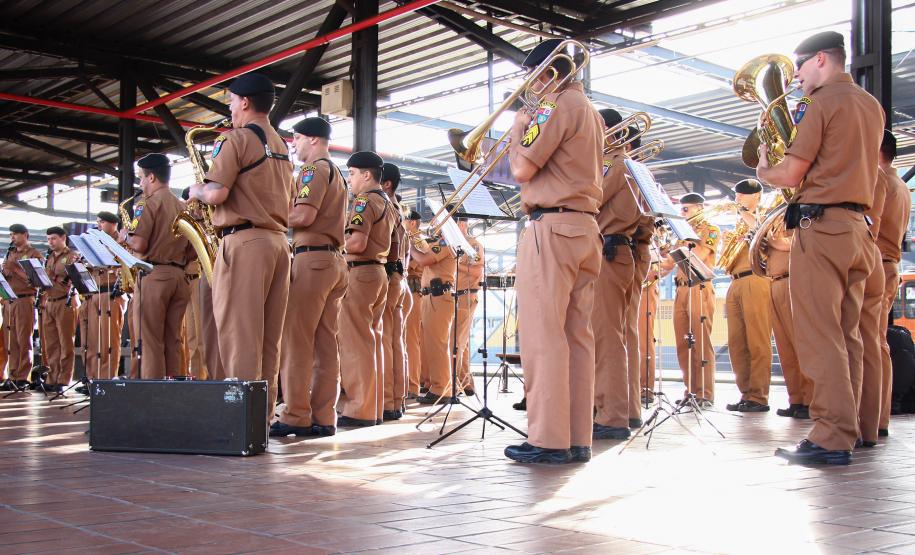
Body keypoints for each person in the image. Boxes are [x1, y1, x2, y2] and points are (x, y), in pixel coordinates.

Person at [758, 31, 884, 465]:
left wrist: (764, 170)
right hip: (858, 229)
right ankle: (857, 428)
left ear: (821, 61)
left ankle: (831, 436)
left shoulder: (820, 102)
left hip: (823, 227)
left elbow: (791, 174)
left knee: (819, 334)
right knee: (849, 336)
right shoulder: (871, 105)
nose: (795, 77)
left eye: (799, 67)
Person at [503, 38, 603, 464]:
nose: (529, 85)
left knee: (543, 336)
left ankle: (547, 438)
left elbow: (522, 168)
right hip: (584, 227)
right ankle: (577, 437)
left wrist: (516, 129)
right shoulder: (589, 109)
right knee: (577, 337)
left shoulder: (553, 105)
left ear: (548, 73)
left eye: (532, 76)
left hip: (552, 228)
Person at [189, 72, 295, 415]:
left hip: (245, 243)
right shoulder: (281, 145)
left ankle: (238, 420)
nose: (231, 109)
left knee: (240, 337)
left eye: (232, 102)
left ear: (245, 102)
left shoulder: (235, 139)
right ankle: (259, 418)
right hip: (278, 243)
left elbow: (216, 193)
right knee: (268, 341)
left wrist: (194, 190)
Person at [272, 117, 347, 438]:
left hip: (312, 260)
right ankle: (324, 416)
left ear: (313, 139)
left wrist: (270, 214)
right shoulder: (337, 172)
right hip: (333, 261)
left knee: (297, 340)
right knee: (325, 343)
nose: (294, 145)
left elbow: (303, 214)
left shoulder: (313, 170)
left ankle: (296, 414)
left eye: (298, 138)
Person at [337, 151, 396, 426]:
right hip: (378, 272)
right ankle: (374, 407)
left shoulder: (364, 201)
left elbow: (357, 243)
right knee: (372, 342)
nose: (350, 179)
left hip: (360, 272)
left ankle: (359, 409)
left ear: (366, 175)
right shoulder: (386, 202)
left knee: (355, 344)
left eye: (351, 174)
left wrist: (334, 242)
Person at [592, 109, 640, 441]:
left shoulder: (612, 163)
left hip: (608, 251)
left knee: (606, 339)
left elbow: (591, 197)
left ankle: (611, 416)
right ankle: (618, 410)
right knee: (611, 337)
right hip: (614, 251)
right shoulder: (620, 163)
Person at [121, 153, 191, 380]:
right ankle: (173, 389)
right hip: (179, 277)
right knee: (173, 339)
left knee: (149, 339)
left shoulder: (147, 204)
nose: (140, 183)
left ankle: (151, 393)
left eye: (141, 177)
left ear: (151, 177)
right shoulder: (183, 207)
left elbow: (139, 244)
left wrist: (125, 237)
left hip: (154, 275)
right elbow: (192, 251)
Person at [662, 193, 719, 406]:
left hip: (699, 287)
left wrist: (686, 239)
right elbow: (668, 264)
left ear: (699, 208)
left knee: (701, 342)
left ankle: (705, 392)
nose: (682, 213)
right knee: (683, 342)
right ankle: (691, 391)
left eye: (686, 209)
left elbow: (700, 255)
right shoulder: (681, 236)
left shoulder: (710, 230)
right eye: (681, 209)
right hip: (681, 289)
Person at [723, 179, 773, 413]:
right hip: (735, 280)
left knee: (757, 340)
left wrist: (745, 215)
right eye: (737, 195)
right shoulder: (738, 222)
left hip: (756, 278)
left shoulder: (765, 215)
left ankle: (758, 396)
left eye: (743, 194)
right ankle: (746, 393)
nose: (738, 198)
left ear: (757, 196)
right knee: (737, 342)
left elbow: (766, 235)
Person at [876, 131, 911, 437]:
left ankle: (873, 415)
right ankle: (878, 415)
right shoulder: (899, 184)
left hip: (877, 263)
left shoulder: (881, 182)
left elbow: (867, 227)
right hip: (889, 264)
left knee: (870, 343)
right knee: (878, 343)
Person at [767, 224, 812, 419]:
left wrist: (772, 240)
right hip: (774, 280)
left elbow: (796, 243)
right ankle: (796, 399)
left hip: (791, 280)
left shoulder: (798, 217)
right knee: (785, 348)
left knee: (799, 344)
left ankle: (810, 400)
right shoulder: (777, 223)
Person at [411, 219, 456, 406]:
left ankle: (441, 388)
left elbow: (424, 260)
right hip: (431, 296)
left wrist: (409, 246)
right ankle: (436, 385)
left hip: (438, 296)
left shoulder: (446, 242)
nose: (434, 224)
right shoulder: (439, 241)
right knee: (431, 343)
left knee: (437, 344)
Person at [380, 164, 409, 420]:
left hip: (389, 276)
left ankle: (388, 401)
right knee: (395, 341)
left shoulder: (385, 206)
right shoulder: (398, 208)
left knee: (385, 341)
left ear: (386, 184)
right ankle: (397, 399)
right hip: (399, 277)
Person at [1, 224, 43, 389]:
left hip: (25, 300)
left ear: (25, 235)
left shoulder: (33, 254)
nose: (12, 237)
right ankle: (12, 376)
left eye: (16, 234)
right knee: (10, 341)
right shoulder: (10, 253)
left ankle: (23, 377)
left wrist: (15, 269)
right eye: (11, 234)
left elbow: (35, 281)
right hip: (9, 300)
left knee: (23, 339)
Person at [88, 211, 125, 381]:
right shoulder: (97, 241)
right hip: (96, 292)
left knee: (110, 339)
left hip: (112, 292)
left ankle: (107, 378)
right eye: (98, 222)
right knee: (95, 340)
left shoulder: (121, 241)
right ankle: (94, 379)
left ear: (113, 224)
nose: (98, 225)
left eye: (102, 222)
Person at [42, 227, 80, 392]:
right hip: (49, 301)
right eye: (48, 239)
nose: (50, 242)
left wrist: (55, 278)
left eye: (54, 238)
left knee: (66, 342)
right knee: (51, 343)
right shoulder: (49, 256)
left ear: (63, 238)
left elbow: (76, 278)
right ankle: (52, 377)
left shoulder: (72, 256)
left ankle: (64, 380)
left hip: (65, 302)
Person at [454, 213, 484, 397]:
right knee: (461, 343)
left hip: (466, 295)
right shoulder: (454, 244)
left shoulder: (473, 244)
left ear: (462, 224)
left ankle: (453, 384)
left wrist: (453, 265)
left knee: (457, 342)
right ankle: (465, 383)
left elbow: (476, 270)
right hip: (456, 295)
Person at [404, 210, 424, 397]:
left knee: (411, 340)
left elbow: (409, 265)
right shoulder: (409, 239)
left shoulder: (417, 241)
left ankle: (413, 385)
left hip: (413, 290)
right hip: (406, 290)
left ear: (412, 223)